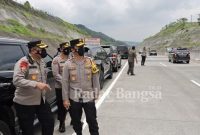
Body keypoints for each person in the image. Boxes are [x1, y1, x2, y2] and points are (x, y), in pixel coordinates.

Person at [13, 40, 54, 135]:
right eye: (42, 49)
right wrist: (36, 84)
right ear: (33, 50)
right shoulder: (24, 62)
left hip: (41, 100)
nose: (44, 51)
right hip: (25, 102)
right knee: (27, 130)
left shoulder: (41, 62)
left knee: (49, 123)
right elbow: (17, 80)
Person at [62, 38, 100, 135]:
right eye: (79, 47)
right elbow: (65, 82)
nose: (82, 49)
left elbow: (95, 78)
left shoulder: (90, 62)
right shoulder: (67, 64)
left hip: (89, 97)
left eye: (82, 47)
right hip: (74, 98)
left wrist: (96, 92)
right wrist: (65, 99)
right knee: (76, 122)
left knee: (92, 121)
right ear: (73, 49)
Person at [52, 42, 71, 132]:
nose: (67, 49)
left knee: (73, 105)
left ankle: (74, 120)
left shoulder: (71, 59)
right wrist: (66, 82)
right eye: (65, 48)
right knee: (62, 106)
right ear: (61, 49)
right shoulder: (56, 60)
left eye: (68, 47)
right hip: (60, 88)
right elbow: (56, 75)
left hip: (72, 87)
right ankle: (62, 123)